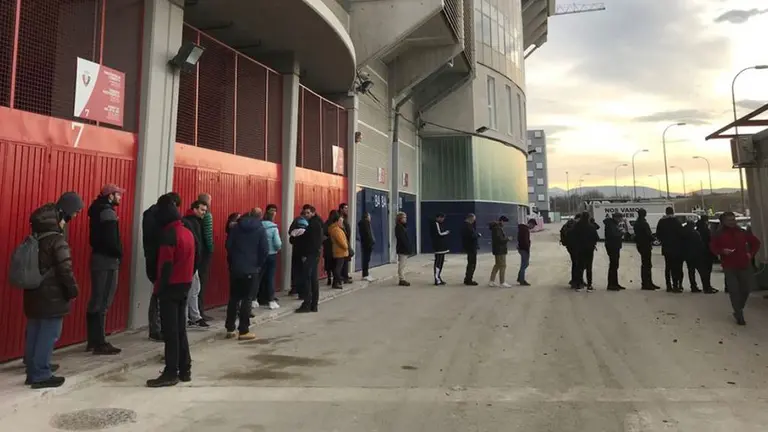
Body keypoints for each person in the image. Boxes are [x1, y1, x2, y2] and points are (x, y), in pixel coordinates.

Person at [22, 192, 83, 389]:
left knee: (34, 331)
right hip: (52, 295)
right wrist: (73, 290)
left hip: (34, 291)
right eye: (74, 212)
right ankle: (41, 373)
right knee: (49, 334)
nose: (74, 217)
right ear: (65, 213)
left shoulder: (37, 235)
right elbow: (65, 269)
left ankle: (33, 370)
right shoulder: (57, 240)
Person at [146, 199, 196, 388]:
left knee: (170, 332)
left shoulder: (169, 235)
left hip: (170, 286)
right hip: (184, 284)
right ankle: (185, 369)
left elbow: (165, 265)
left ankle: (170, 371)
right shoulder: (187, 232)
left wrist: (159, 288)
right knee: (180, 329)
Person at [86, 184, 125, 355]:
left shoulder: (96, 210)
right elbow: (111, 239)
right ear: (110, 196)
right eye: (118, 194)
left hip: (97, 258)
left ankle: (92, 341)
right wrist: (119, 253)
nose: (120, 197)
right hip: (107, 260)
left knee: (96, 299)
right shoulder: (108, 212)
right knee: (104, 300)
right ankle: (100, 342)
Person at [143, 192, 182, 342]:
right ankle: (156, 328)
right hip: (158, 258)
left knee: (158, 293)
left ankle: (157, 327)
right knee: (159, 293)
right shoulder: (158, 217)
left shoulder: (150, 214)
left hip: (154, 257)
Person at [710, 212, 761, 325]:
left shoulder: (742, 232)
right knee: (734, 291)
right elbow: (713, 247)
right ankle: (738, 313)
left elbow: (756, 243)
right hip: (729, 266)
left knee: (746, 289)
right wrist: (722, 251)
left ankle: (739, 308)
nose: (732, 222)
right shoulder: (718, 234)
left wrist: (750, 254)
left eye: (733, 219)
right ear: (723, 222)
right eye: (729, 220)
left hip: (744, 265)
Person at [225, 208, 268, 338]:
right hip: (252, 268)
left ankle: (230, 328)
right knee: (247, 299)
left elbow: (228, 246)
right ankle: (243, 330)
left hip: (236, 268)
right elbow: (264, 250)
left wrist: (233, 262)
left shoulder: (236, 228)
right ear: (259, 217)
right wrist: (258, 264)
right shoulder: (260, 230)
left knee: (234, 298)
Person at [181, 200, 209, 327]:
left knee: (195, 289)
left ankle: (194, 316)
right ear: (195, 209)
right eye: (202, 210)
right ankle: (188, 317)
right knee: (189, 290)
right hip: (190, 262)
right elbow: (194, 243)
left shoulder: (196, 221)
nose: (204, 213)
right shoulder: (189, 222)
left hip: (194, 261)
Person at [295, 205, 324, 312]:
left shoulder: (313, 224)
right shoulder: (317, 223)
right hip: (315, 253)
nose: (306, 215)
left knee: (307, 278)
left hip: (311, 254)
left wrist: (296, 239)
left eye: (308, 213)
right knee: (313, 279)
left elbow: (309, 240)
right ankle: (313, 304)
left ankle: (307, 303)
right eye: (305, 213)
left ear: (313, 212)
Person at [568, 211, 599, 291]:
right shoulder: (591, 227)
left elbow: (571, 235)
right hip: (589, 249)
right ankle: (589, 285)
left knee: (579, 267)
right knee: (589, 267)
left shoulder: (576, 226)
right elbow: (597, 237)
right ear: (588, 217)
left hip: (580, 249)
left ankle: (578, 285)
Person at [656, 207, 684, 293]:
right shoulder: (677, 222)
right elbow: (681, 234)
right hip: (676, 248)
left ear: (666, 212)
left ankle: (668, 286)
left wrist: (663, 241)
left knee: (668, 267)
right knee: (676, 267)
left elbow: (658, 234)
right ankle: (676, 285)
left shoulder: (661, 222)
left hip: (666, 248)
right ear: (673, 212)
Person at [260, 209, 282, 309]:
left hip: (260, 255)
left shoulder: (259, 227)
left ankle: (254, 299)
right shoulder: (273, 228)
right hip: (271, 255)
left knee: (258, 277)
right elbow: (277, 243)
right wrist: (278, 248)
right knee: (270, 278)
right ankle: (271, 300)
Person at [197, 193, 214, 321]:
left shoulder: (196, 215)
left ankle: (196, 311)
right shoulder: (207, 216)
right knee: (201, 283)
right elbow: (208, 235)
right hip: (204, 253)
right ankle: (199, 311)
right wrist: (211, 249)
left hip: (197, 252)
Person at [633, 208, 659, 290]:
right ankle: (647, 283)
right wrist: (654, 239)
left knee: (645, 264)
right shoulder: (644, 223)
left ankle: (647, 282)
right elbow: (648, 234)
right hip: (645, 245)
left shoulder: (637, 223)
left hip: (640, 245)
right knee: (647, 264)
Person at [288, 212, 309, 298]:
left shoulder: (295, 224)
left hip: (296, 251)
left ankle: (295, 288)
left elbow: (291, 237)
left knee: (296, 269)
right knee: (304, 271)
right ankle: (302, 291)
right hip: (304, 252)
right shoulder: (309, 225)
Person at [696, 215, 718, 293]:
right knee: (707, 271)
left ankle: (707, 286)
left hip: (700, 253)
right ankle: (707, 287)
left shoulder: (698, 228)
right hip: (706, 253)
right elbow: (709, 241)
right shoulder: (705, 229)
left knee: (704, 271)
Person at [604, 212, 625, 291]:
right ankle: (611, 284)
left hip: (614, 246)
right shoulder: (611, 224)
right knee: (613, 265)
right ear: (616, 218)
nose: (621, 220)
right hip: (612, 246)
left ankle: (615, 283)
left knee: (615, 266)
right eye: (620, 218)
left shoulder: (613, 224)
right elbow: (613, 235)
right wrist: (621, 233)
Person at [489, 215, 511, 288]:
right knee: (502, 265)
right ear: (501, 221)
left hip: (497, 249)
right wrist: (507, 239)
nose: (505, 224)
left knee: (497, 265)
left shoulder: (495, 228)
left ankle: (491, 281)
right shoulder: (498, 229)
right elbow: (500, 240)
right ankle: (502, 282)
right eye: (504, 222)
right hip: (500, 250)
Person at [561, 214, 582, 288]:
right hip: (574, 246)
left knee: (575, 263)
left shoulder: (568, 224)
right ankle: (575, 281)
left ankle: (576, 280)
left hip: (570, 246)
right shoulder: (574, 225)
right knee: (576, 263)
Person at [328, 214, 349, 289]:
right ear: (337, 221)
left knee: (337, 267)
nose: (342, 223)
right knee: (338, 268)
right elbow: (341, 241)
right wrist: (346, 247)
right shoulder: (336, 230)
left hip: (339, 251)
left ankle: (336, 282)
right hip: (340, 251)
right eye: (341, 221)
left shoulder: (337, 229)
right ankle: (337, 281)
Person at [429, 213, 450, 285]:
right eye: (442, 218)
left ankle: (438, 277)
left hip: (442, 246)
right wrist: (446, 233)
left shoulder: (440, 224)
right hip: (438, 246)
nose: (443, 219)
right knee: (438, 261)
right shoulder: (435, 224)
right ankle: (436, 278)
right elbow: (439, 233)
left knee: (441, 261)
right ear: (438, 217)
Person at [461, 213, 480, 286]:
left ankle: (468, 278)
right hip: (471, 247)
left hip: (469, 246)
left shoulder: (466, 226)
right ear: (470, 218)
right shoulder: (467, 226)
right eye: (473, 220)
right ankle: (469, 279)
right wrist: (477, 235)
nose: (473, 221)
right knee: (472, 263)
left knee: (470, 263)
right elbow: (471, 236)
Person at [516, 218, 537, 286]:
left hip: (521, 248)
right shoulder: (525, 230)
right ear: (530, 223)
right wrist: (527, 249)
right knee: (524, 264)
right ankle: (521, 280)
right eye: (533, 225)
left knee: (524, 264)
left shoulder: (522, 228)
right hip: (524, 249)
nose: (533, 227)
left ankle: (520, 278)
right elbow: (525, 241)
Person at [323, 210, 339, 286]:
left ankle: (329, 277)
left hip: (327, 246)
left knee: (328, 263)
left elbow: (324, 233)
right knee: (335, 264)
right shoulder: (336, 225)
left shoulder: (326, 223)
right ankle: (335, 279)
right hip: (334, 246)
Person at [395, 212, 412, 286]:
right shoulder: (399, 227)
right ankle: (401, 279)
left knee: (403, 264)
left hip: (404, 248)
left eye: (406, 217)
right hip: (402, 248)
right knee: (401, 265)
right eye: (404, 218)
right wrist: (406, 247)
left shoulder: (403, 226)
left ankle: (402, 278)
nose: (405, 219)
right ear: (400, 219)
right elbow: (402, 239)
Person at [358, 212, 375, 282]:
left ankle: (366, 274)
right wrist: (372, 241)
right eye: (369, 216)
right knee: (366, 259)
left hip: (365, 244)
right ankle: (365, 275)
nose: (370, 218)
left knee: (366, 259)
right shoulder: (366, 223)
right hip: (367, 244)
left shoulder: (362, 223)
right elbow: (369, 234)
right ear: (367, 217)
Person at [338, 203, 353, 283]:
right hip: (343, 241)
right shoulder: (340, 218)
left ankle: (345, 276)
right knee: (342, 261)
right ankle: (342, 277)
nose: (347, 209)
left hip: (346, 241)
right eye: (345, 208)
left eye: (347, 208)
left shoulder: (345, 217)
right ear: (341, 209)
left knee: (346, 260)